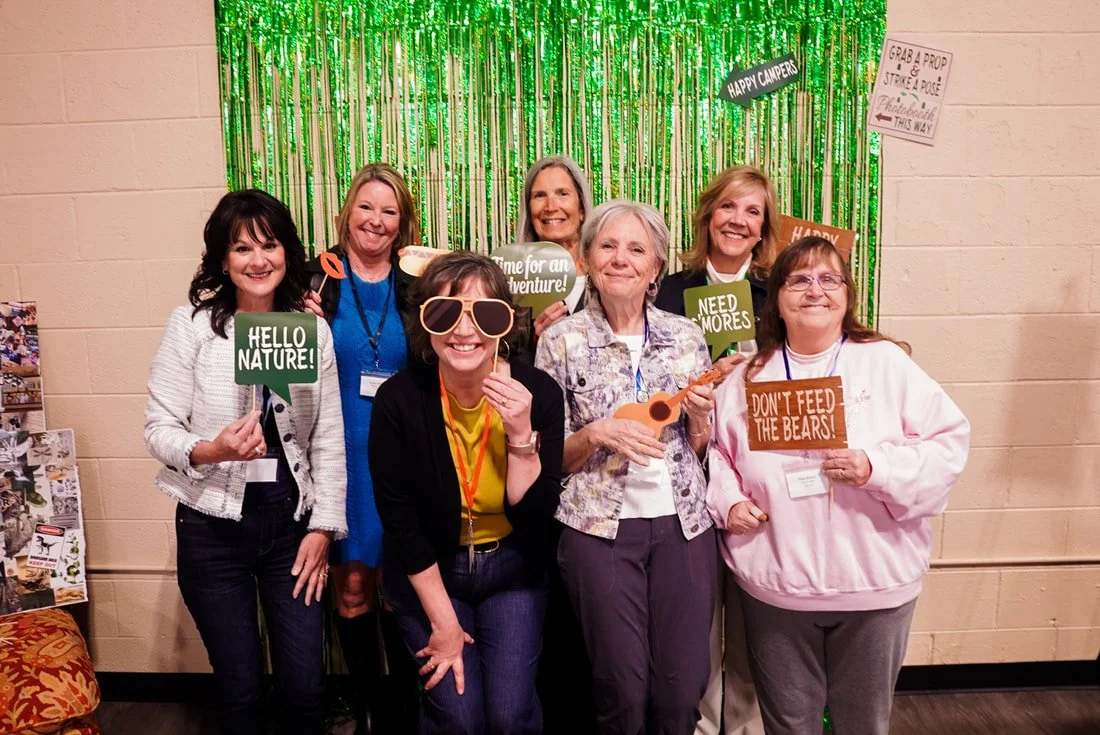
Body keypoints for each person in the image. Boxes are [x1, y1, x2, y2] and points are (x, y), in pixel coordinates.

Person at [707, 237, 970, 735]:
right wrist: (729, 501)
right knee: (788, 725)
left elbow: (948, 442)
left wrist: (877, 468)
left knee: (863, 725)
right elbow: (717, 453)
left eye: (829, 279)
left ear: (847, 295)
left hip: (873, 587)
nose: (815, 290)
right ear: (776, 298)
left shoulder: (885, 363)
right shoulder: (746, 376)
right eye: (799, 279)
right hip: (778, 586)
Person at [144, 189, 346, 735]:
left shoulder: (312, 332)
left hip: (291, 529)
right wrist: (213, 450)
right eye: (242, 248)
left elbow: (327, 440)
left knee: (306, 688)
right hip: (212, 530)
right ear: (222, 259)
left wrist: (324, 528)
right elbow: (158, 430)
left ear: (288, 252)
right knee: (241, 691)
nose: (258, 260)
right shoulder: (191, 326)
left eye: (270, 245)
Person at [535, 200, 717, 733]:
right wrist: (595, 434)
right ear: (587, 259)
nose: (621, 259)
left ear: (656, 267)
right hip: (598, 531)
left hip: (685, 528)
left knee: (682, 692)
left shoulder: (686, 338)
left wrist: (702, 423)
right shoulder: (559, 341)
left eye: (636, 249)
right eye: (607, 246)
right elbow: (548, 457)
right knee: (622, 691)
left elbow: (701, 448)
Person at [370, 251, 565, 734]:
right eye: (446, 311)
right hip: (432, 569)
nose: (464, 330)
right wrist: (444, 625)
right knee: (457, 717)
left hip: (512, 569)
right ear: (424, 321)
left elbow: (538, 515)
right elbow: (401, 524)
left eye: (484, 314)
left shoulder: (537, 393)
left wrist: (521, 436)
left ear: (504, 324)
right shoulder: (399, 401)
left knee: (509, 715)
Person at [655, 164, 780, 735]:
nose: (738, 220)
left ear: (763, 228)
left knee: (756, 616)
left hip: (759, 470)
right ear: (709, 216)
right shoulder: (671, 292)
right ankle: (701, 726)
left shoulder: (777, 296)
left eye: (752, 211)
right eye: (729, 207)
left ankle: (746, 727)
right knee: (698, 620)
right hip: (688, 468)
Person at [303, 163, 421, 733]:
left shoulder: (418, 284)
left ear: (402, 225)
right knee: (352, 585)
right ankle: (368, 701)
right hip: (338, 457)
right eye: (366, 207)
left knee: (402, 586)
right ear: (347, 212)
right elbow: (282, 376)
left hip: (401, 460)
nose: (375, 220)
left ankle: (404, 706)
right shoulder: (314, 282)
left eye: (389, 211)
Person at [516, 155, 595, 341]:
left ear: (582, 209)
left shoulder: (605, 274)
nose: (550, 207)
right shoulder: (512, 279)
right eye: (540, 195)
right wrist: (535, 342)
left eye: (562, 194)